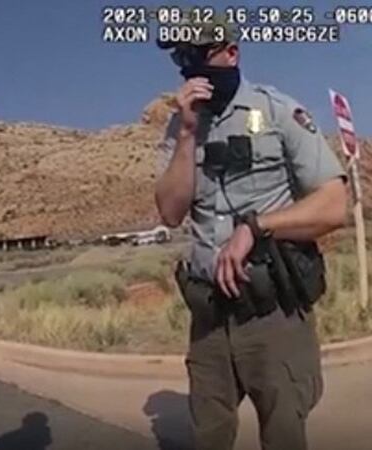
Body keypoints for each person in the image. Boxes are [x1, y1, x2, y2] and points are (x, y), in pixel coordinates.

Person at [154, 22, 348, 450]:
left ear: (231, 54)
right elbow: (170, 212)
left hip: (272, 313)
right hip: (210, 318)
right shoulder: (179, 126)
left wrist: (256, 227)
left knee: (282, 435)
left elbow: (335, 204)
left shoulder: (278, 111)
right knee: (209, 434)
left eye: (199, 54)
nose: (190, 67)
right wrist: (187, 134)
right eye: (181, 58)